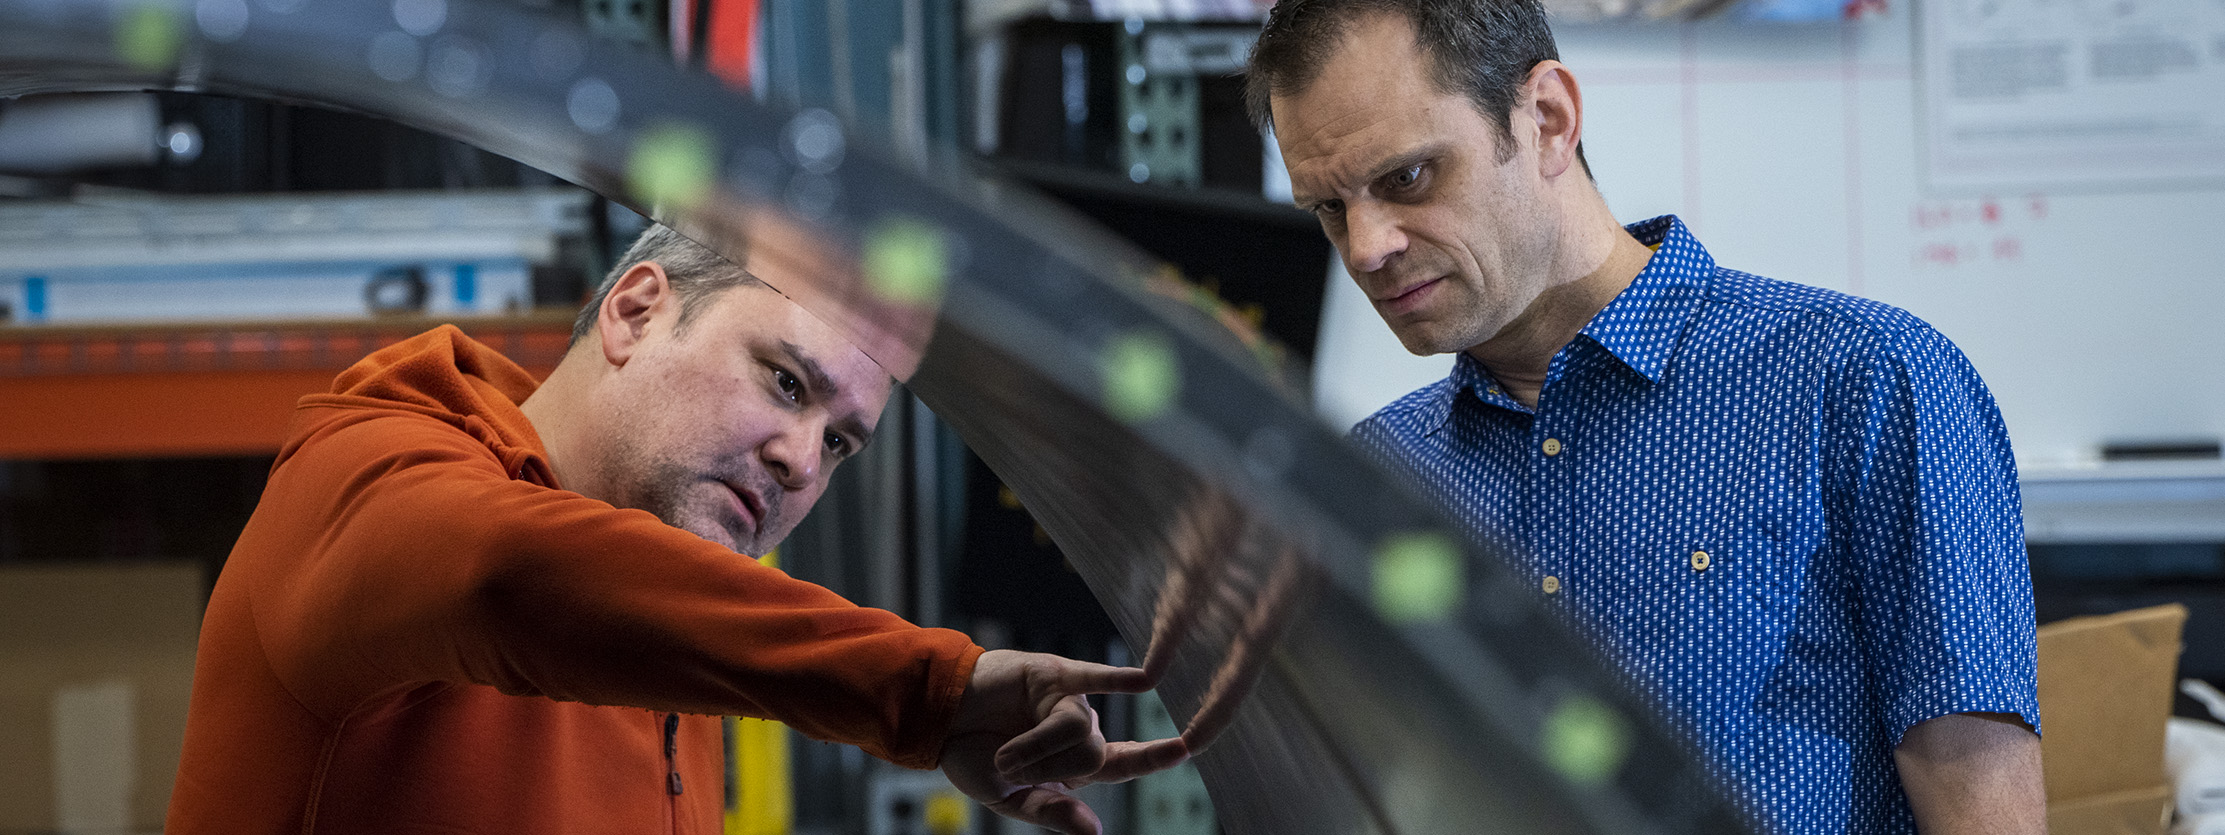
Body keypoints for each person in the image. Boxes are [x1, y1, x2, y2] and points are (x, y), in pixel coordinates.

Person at [1245, 1, 2042, 832]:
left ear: (1547, 119)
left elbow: (1980, 800)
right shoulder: (1377, 471)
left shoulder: (1861, 381)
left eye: (1405, 178)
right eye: (1330, 209)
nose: (1366, 248)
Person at [166, 224, 1187, 835]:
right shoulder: (364, 476)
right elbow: (504, 573)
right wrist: (929, 690)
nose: (798, 458)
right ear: (637, 310)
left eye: (839, 444)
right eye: (784, 381)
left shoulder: (677, 627)